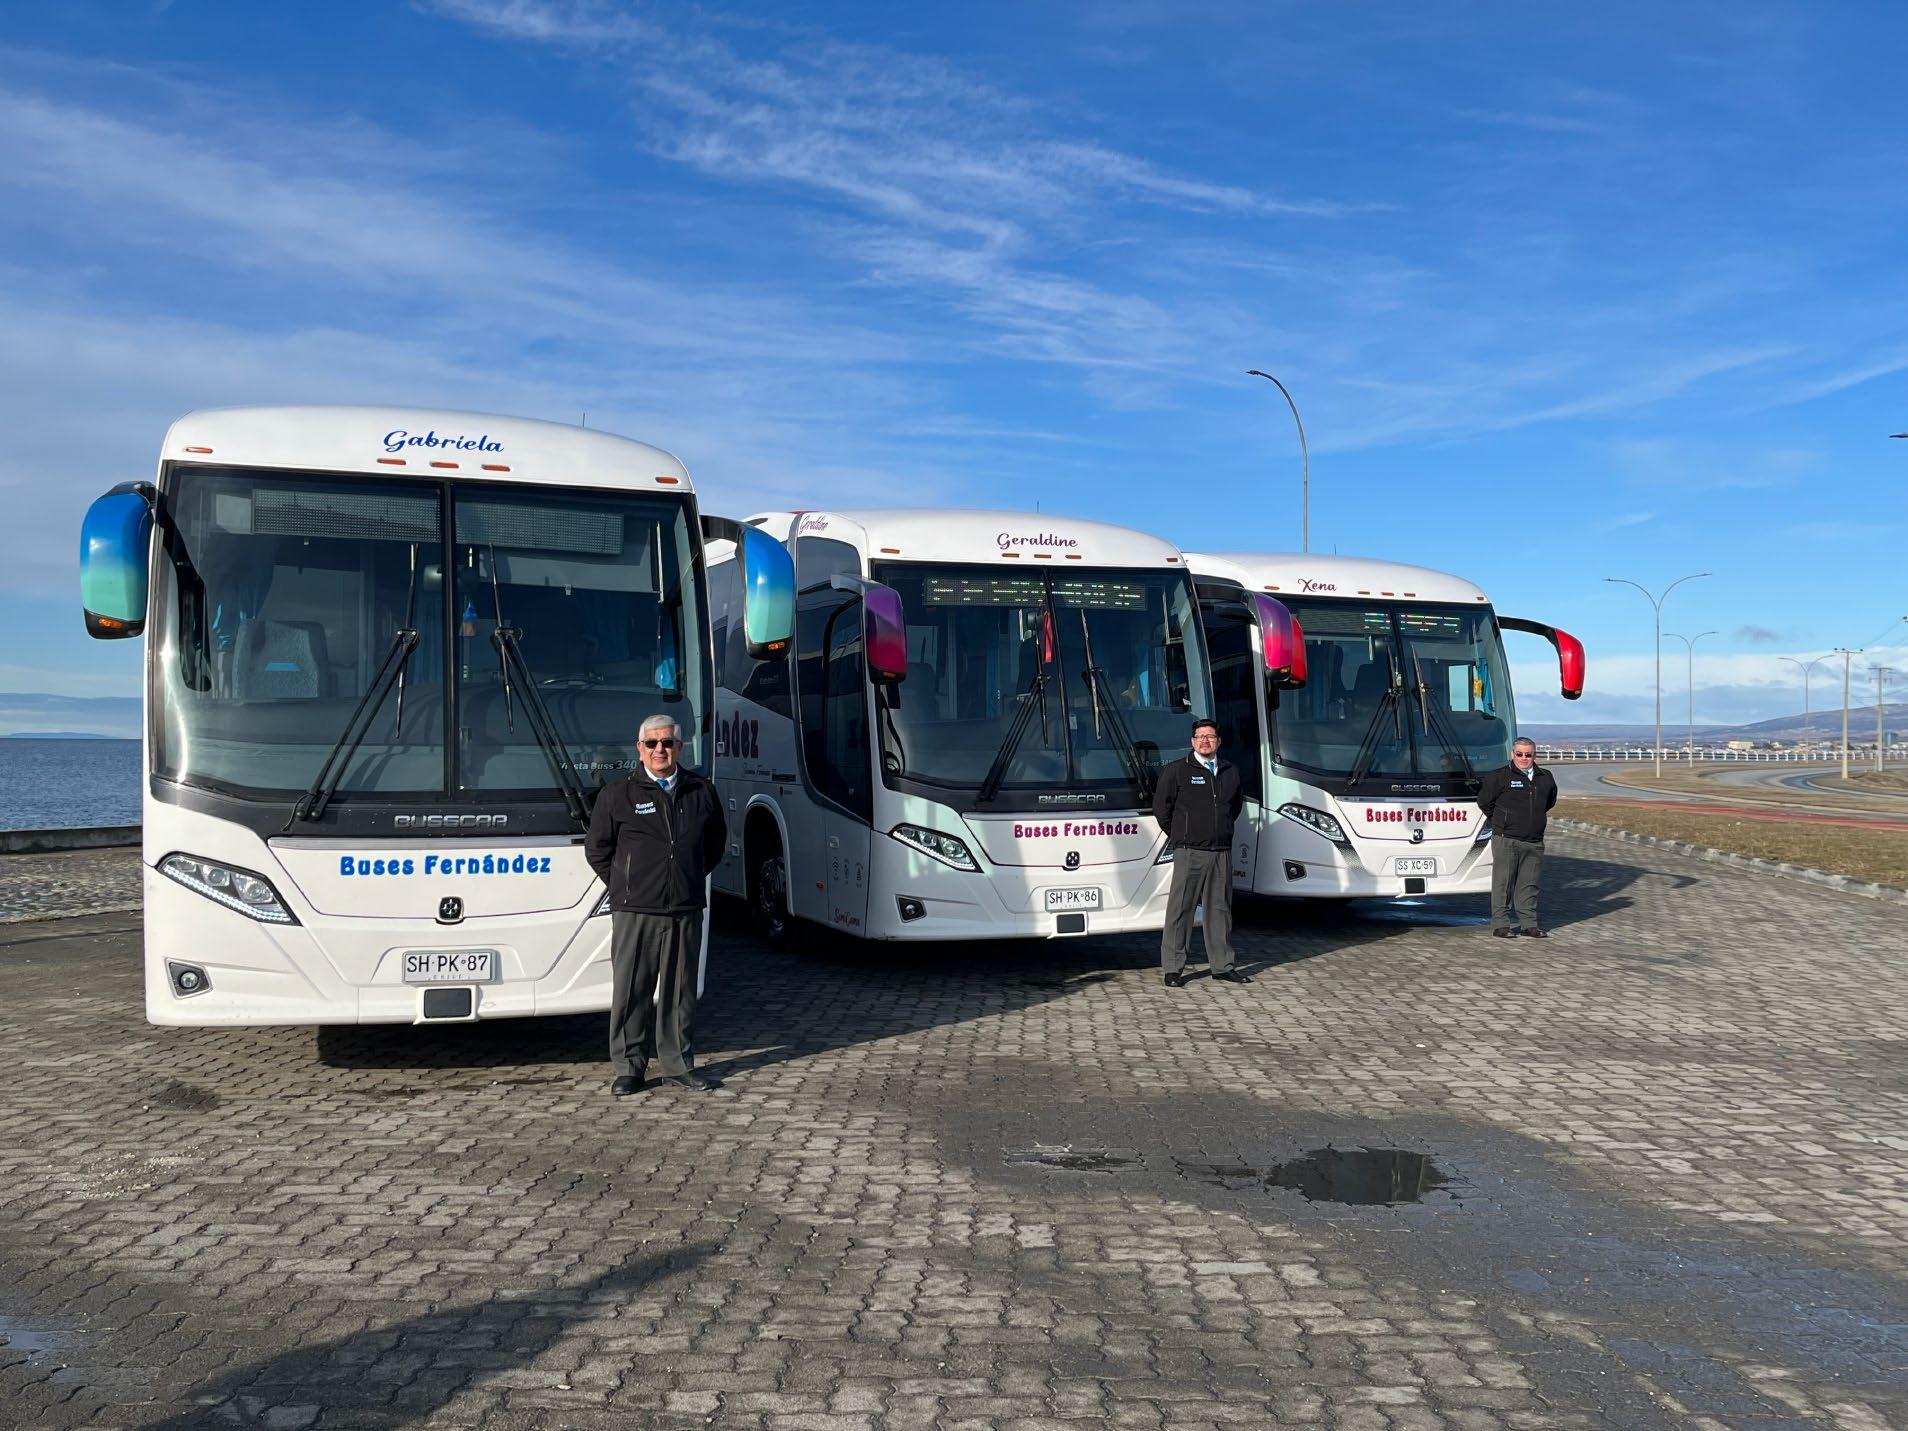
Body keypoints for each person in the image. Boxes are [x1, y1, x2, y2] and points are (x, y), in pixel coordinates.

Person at [584, 713, 727, 1095]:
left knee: (680, 993)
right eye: (652, 743)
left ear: (680, 747)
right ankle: (630, 1068)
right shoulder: (618, 794)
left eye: (667, 743)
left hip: (684, 908)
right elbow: (597, 850)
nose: (659, 749)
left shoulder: (701, 791)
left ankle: (678, 1065)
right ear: (640, 749)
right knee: (631, 991)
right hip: (636, 911)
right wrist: (627, 885)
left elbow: (714, 845)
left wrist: (687, 878)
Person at [1153, 718, 1247, 987]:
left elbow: (1234, 807)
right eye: (1200, 736)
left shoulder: (1231, 771)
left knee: (1220, 911)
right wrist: (1181, 835)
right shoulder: (1177, 770)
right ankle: (1173, 968)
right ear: (1192, 741)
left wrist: (1221, 831)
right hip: (1189, 851)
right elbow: (1162, 809)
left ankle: (1222, 966)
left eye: (1210, 736)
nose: (1205, 741)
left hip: (1221, 852)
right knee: (1180, 910)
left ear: (1219, 741)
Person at [1474, 736, 1558, 939]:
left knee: (1529, 885)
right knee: (1503, 883)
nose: (1523, 758)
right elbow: (1484, 802)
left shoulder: (1545, 777)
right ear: (1513, 754)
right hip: (1506, 839)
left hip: (1534, 841)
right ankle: (1501, 925)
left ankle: (1529, 925)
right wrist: (1502, 821)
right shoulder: (1499, 777)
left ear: (1535, 756)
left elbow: (1549, 801)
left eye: (1528, 755)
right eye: (1519, 754)